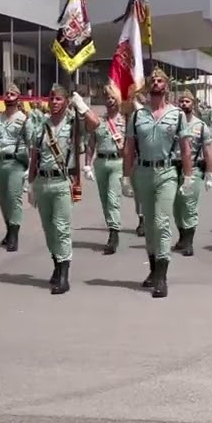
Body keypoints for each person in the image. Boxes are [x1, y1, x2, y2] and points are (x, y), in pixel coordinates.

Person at [122, 68, 192, 298]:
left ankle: (162, 277)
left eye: (160, 80)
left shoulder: (177, 115)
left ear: (167, 87)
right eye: (153, 80)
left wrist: (189, 176)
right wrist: (125, 176)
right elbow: (130, 148)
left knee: (162, 222)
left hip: (167, 172)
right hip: (143, 172)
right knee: (149, 226)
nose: (156, 82)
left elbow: (185, 148)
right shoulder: (137, 116)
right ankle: (153, 269)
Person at [27, 84, 98, 294]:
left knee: (61, 228)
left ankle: (64, 274)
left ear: (66, 101)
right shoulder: (41, 126)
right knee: (49, 230)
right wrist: (30, 185)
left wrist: (82, 107)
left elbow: (95, 125)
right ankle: (57, 264)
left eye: (59, 99)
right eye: (52, 98)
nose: (54, 102)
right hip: (42, 182)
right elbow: (34, 157)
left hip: (62, 183)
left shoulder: (74, 124)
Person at [0, 84, 30, 251]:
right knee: (3, 200)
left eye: (12, 94)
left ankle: (14, 235)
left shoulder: (24, 119)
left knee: (14, 198)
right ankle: (9, 229)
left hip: (15, 163)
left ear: (18, 98)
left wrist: (29, 167)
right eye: (7, 93)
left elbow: (31, 143)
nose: (9, 96)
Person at [171, 91, 212, 257]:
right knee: (176, 207)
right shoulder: (173, 124)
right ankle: (182, 237)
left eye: (187, 101)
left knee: (189, 206)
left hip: (194, 170)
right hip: (174, 168)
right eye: (181, 101)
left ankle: (189, 242)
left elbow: (208, 151)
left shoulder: (201, 126)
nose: (184, 104)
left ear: (193, 104)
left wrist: (210, 173)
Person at [84, 85, 127, 255]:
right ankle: (111, 227)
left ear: (118, 100)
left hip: (117, 162)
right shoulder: (98, 121)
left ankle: (114, 234)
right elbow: (91, 144)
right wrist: (87, 164)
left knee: (113, 198)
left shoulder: (125, 120)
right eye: (107, 98)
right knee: (104, 200)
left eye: (112, 97)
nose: (109, 101)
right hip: (101, 162)